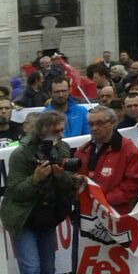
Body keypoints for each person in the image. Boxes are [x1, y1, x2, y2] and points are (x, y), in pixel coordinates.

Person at [1, 111, 86, 274]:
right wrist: (35, 179)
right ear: (42, 130)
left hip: (47, 215)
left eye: (62, 130)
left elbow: (68, 185)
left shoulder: (62, 147)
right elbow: (15, 191)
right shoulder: (21, 153)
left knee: (48, 268)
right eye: (56, 131)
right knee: (32, 268)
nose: (61, 135)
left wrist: (61, 176)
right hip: (22, 216)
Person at [75, 106, 138, 214]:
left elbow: (135, 183)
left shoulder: (128, 150)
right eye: (91, 124)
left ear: (112, 123)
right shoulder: (83, 150)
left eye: (99, 123)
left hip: (115, 214)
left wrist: (105, 200)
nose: (94, 128)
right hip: (87, 212)